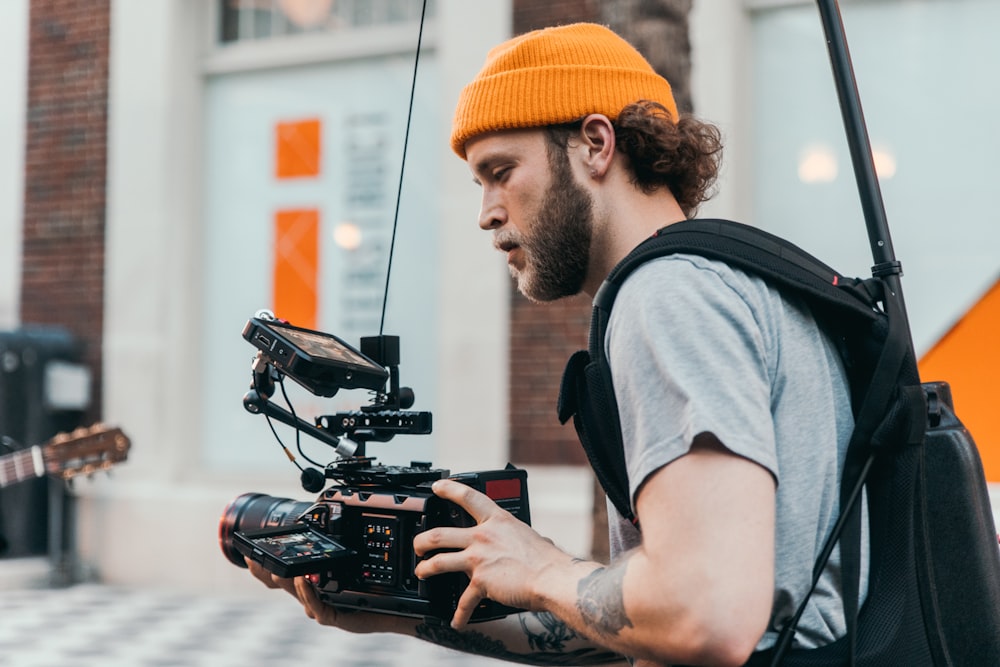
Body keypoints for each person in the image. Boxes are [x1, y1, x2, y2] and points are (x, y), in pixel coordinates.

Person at [246, 22, 862, 666]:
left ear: (595, 144)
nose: (486, 210)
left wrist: (542, 568)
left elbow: (704, 613)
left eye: (500, 171)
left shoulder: (667, 296)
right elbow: (638, 620)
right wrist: (395, 613)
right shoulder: (734, 278)